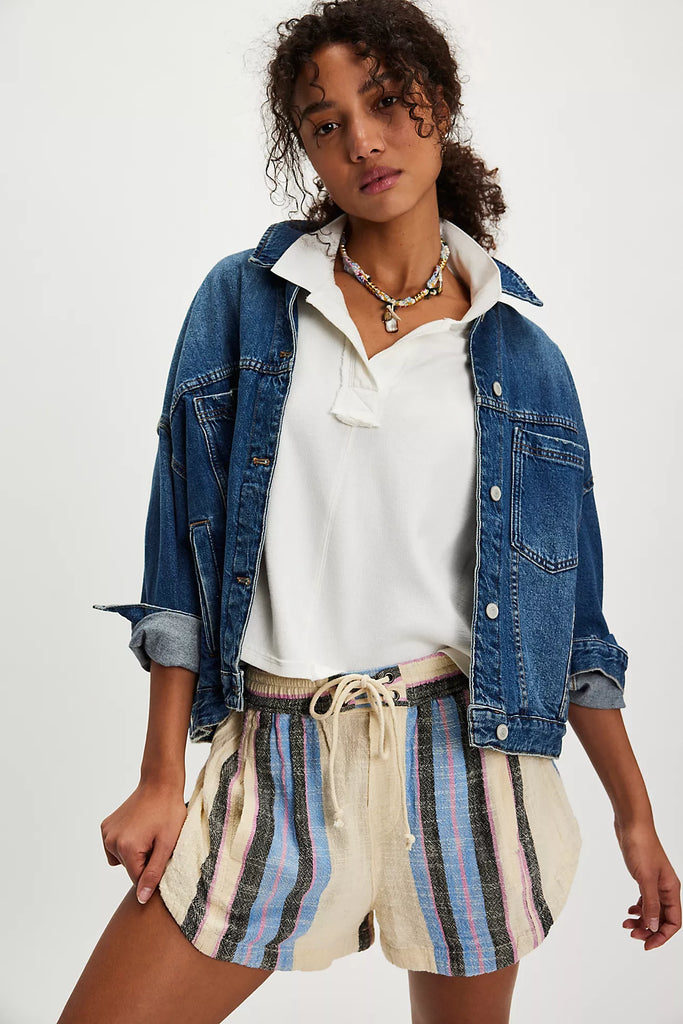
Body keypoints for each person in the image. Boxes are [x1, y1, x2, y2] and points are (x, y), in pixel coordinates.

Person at [58, 0, 681, 1021]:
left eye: (386, 102)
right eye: (326, 123)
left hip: (469, 758)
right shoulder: (246, 303)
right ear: (306, 152)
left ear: (438, 105)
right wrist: (161, 775)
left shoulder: (526, 363)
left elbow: (573, 626)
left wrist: (635, 817)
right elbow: (178, 561)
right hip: (278, 748)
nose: (362, 140)